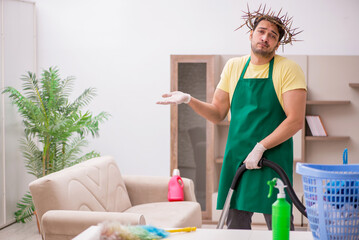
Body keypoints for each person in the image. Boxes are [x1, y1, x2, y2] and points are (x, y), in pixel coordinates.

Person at [157, 6, 307, 230]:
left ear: (277, 43)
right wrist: (189, 99)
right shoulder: (234, 66)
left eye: (272, 35)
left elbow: (294, 120)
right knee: (235, 225)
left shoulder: (288, 69)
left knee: (279, 224)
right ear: (251, 34)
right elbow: (218, 113)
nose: (265, 38)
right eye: (261, 31)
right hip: (238, 156)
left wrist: (261, 147)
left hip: (272, 156)